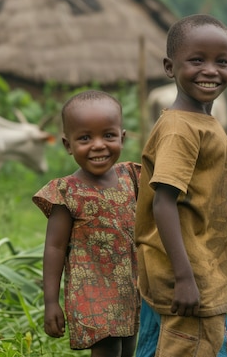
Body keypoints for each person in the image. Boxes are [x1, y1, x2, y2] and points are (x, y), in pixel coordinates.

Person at [135, 14, 227, 357]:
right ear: (169, 67)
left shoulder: (202, 121)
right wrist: (184, 278)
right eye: (197, 60)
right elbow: (163, 202)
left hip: (200, 270)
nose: (210, 70)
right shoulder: (181, 129)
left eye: (221, 61)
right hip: (187, 276)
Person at [33, 90, 141, 357]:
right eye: (84, 138)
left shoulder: (132, 178)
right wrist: (51, 302)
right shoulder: (66, 192)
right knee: (108, 348)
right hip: (92, 292)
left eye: (108, 135)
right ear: (68, 145)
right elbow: (55, 248)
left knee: (129, 349)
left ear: (122, 138)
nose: (98, 145)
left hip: (131, 288)